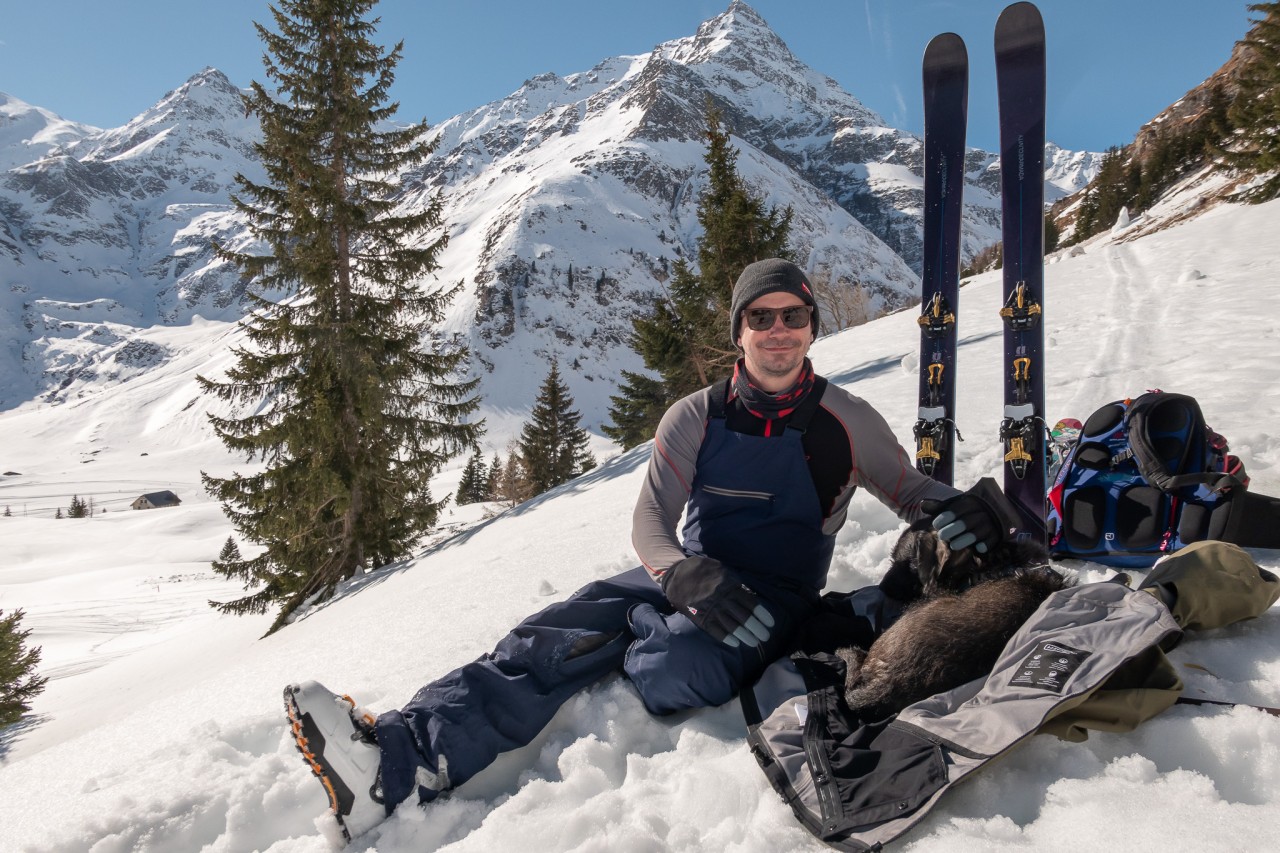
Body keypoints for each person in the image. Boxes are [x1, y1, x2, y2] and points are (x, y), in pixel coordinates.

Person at [285, 258, 1019, 843]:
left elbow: (912, 491)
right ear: (739, 331)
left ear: (810, 327)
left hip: (776, 600)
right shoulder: (694, 416)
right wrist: (680, 575)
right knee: (550, 633)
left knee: (672, 669)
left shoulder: (844, 418)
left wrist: (969, 512)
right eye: (760, 317)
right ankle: (398, 761)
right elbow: (649, 523)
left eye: (792, 316)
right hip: (685, 575)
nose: (777, 330)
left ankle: (638, 637)